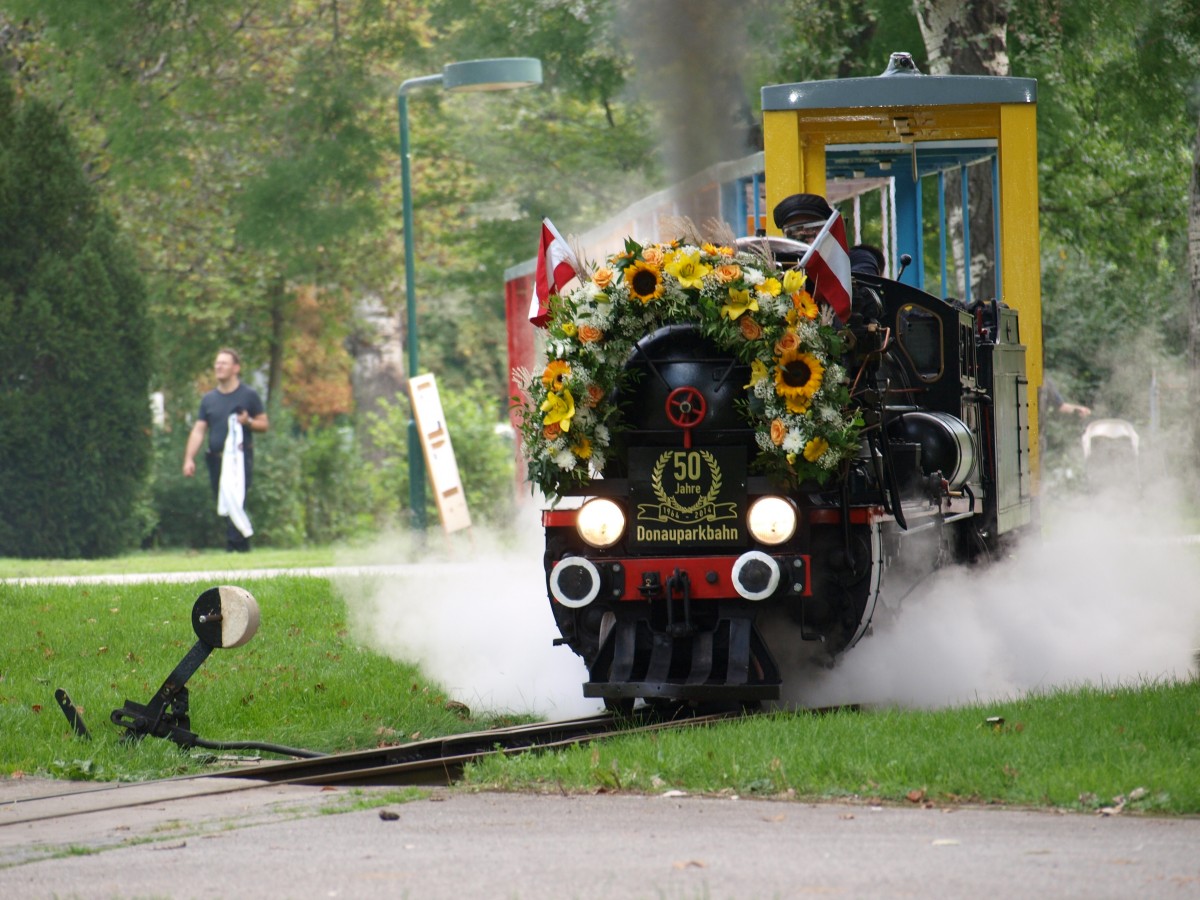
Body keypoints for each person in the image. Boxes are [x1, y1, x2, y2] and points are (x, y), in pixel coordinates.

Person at [183, 348, 269, 551]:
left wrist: (248, 421)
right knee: (224, 501)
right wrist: (189, 458)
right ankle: (242, 545)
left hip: (240, 458)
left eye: (224, 363)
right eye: (217, 363)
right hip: (216, 459)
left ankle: (234, 547)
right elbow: (199, 430)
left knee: (236, 499)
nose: (218, 367)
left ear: (236, 368)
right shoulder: (209, 399)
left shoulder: (249, 395)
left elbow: (264, 424)